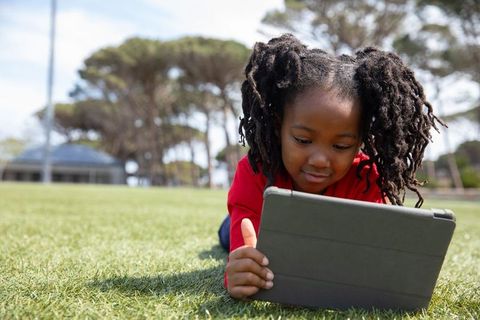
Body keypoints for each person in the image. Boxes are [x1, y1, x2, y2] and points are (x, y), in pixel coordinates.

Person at [219, 34, 444, 300]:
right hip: (249, 215)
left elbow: (367, 258)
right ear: (279, 126)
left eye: (341, 146)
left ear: (360, 141)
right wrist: (240, 271)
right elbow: (242, 260)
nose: (319, 160)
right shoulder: (255, 170)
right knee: (226, 236)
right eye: (303, 140)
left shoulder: (367, 179)